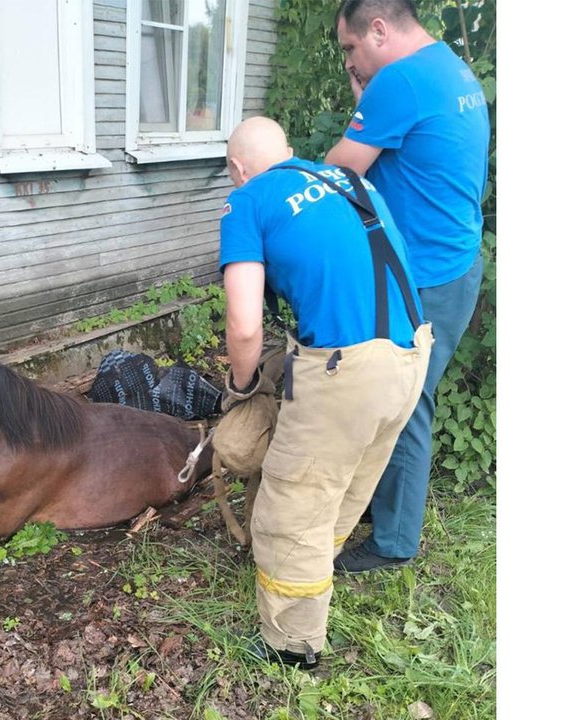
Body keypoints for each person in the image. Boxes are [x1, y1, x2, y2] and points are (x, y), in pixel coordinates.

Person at [219, 116, 432, 669]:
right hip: (412, 354)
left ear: (238, 170)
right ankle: (317, 570)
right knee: (347, 482)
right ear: (290, 152)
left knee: (292, 507)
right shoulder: (349, 181)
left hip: (349, 371)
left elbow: (244, 326)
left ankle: (292, 648)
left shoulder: (249, 202)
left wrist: (242, 387)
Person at [325, 0, 491, 574]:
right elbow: (388, 136)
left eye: (351, 49)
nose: (352, 62)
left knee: (404, 399)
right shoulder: (449, 67)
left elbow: (338, 170)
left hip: (426, 277)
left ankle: (394, 543)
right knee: (402, 394)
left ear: (378, 28)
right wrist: (360, 83)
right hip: (455, 266)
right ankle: (384, 506)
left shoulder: (401, 81)